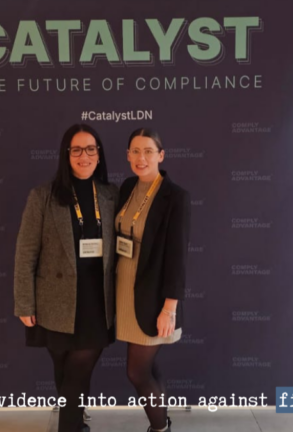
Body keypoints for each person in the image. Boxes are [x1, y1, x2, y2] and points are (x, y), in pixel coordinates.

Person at [14, 124, 119, 432]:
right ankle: (76, 421)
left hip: (98, 303)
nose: (84, 156)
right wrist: (24, 303)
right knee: (63, 371)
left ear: (99, 154)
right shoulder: (43, 197)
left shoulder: (112, 195)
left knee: (77, 372)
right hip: (55, 303)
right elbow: (26, 253)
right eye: (76, 150)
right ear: (66, 154)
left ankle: (69, 426)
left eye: (90, 149)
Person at [115, 128, 190, 432]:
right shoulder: (127, 187)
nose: (141, 157)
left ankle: (160, 428)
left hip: (154, 298)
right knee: (148, 368)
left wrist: (169, 309)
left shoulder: (176, 197)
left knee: (136, 372)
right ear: (127, 155)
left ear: (161, 155)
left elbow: (177, 258)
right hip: (125, 290)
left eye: (148, 151)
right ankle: (163, 423)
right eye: (135, 151)